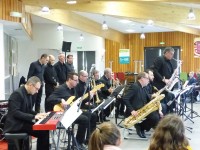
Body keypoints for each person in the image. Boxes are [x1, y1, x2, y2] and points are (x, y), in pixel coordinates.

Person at [46, 72, 93, 149]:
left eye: (77, 80)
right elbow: (49, 99)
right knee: (84, 119)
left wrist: (88, 98)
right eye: (75, 80)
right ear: (69, 80)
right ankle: (78, 143)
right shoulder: (61, 88)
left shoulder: (73, 89)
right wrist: (60, 100)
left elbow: (78, 101)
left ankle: (85, 140)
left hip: (70, 111)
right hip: (62, 114)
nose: (77, 82)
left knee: (90, 114)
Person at [3, 76, 49, 150]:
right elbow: (15, 112)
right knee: (43, 132)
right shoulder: (17, 94)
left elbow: (28, 110)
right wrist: (33, 117)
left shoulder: (28, 93)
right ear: (30, 85)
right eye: (36, 89)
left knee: (44, 130)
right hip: (16, 125)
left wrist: (37, 114)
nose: (37, 91)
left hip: (22, 122)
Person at [123, 72, 160, 138]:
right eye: (147, 78)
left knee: (157, 115)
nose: (148, 80)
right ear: (142, 79)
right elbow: (125, 98)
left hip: (142, 109)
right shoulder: (134, 87)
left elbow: (146, 96)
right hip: (135, 111)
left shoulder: (144, 87)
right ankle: (141, 127)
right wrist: (132, 110)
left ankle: (141, 127)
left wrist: (152, 96)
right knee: (154, 117)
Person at [151, 47, 176, 113]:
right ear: (166, 53)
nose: (172, 56)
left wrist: (173, 75)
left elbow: (168, 73)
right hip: (159, 86)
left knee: (168, 100)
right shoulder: (159, 59)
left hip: (166, 86)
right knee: (162, 103)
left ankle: (168, 114)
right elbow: (155, 71)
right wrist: (163, 80)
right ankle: (161, 116)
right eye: (171, 54)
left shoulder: (169, 62)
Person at [75, 70, 97, 142]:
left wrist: (89, 99)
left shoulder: (86, 84)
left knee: (94, 112)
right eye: (85, 76)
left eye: (87, 76)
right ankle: (82, 140)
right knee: (90, 115)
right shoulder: (77, 85)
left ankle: (90, 137)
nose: (87, 78)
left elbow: (87, 95)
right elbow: (78, 99)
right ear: (80, 76)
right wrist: (87, 99)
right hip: (78, 106)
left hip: (84, 103)